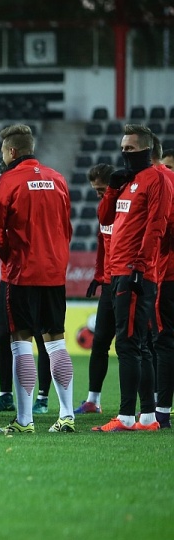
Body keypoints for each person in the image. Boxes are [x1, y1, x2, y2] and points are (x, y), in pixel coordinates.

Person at [0, 124, 75, 435]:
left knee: (21, 342)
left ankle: (24, 422)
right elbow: (67, 227)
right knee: (56, 341)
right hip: (53, 272)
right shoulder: (58, 179)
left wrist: (12, 258)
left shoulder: (6, 181)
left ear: (11, 151)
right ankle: (67, 416)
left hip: (21, 273)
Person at [94, 124, 170, 432]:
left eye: (131, 149)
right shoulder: (129, 181)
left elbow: (157, 224)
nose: (125, 153)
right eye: (123, 148)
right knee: (135, 345)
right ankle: (148, 418)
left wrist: (140, 266)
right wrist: (112, 189)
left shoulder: (157, 180)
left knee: (129, 345)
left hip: (134, 272)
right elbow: (105, 219)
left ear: (146, 151)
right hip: (119, 271)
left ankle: (127, 417)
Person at [75, 163, 116, 415]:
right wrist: (99, 275)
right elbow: (102, 243)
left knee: (136, 345)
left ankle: (152, 405)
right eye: (95, 190)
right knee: (100, 341)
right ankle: (93, 400)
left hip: (131, 282)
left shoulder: (128, 205)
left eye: (101, 189)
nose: (98, 194)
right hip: (110, 284)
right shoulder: (104, 208)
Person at [150, 139, 174, 429]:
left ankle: (161, 412)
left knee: (164, 340)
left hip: (166, 275)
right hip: (162, 273)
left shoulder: (161, 184)